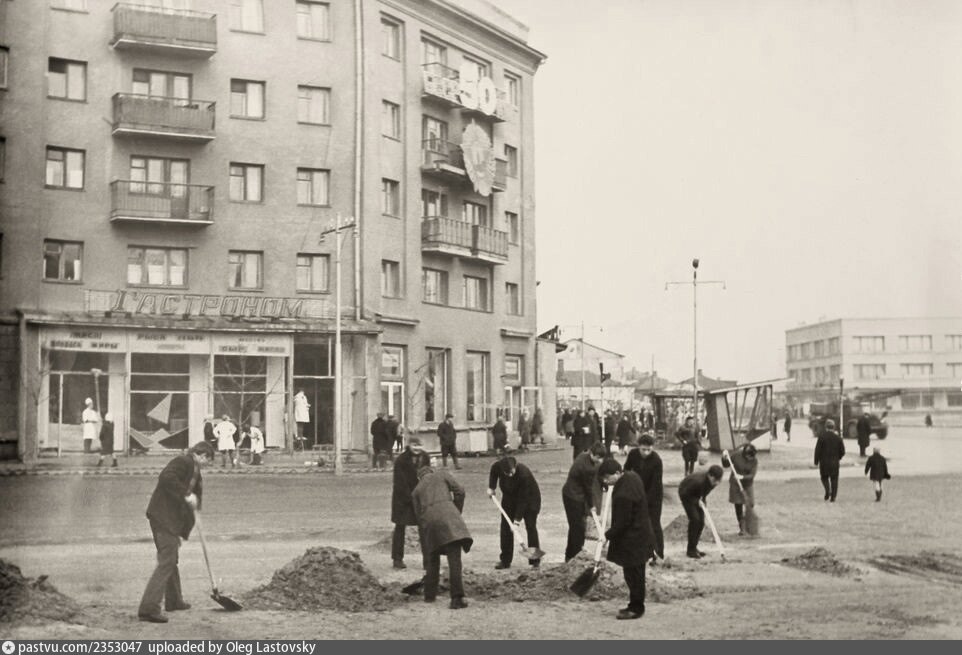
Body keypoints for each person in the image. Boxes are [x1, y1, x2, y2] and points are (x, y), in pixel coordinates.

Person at [137, 440, 215, 623]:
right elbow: (166, 478)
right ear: (202, 455)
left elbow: (194, 496)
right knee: (167, 561)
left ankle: (174, 600)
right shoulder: (183, 461)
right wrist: (186, 495)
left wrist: (195, 508)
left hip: (170, 520)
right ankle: (148, 608)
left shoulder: (195, 471)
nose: (208, 464)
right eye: (208, 460)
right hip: (162, 516)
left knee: (171, 559)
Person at [599, 458, 655, 620]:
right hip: (641, 533)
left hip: (634, 538)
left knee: (633, 575)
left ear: (617, 473)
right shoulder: (632, 476)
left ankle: (636, 608)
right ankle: (635, 605)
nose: (605, 481)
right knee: (637, 573)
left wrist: (606, 536)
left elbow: (623, 522)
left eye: (607, 477)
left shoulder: (623, 494)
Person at [411, 462, 472, 609]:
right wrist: (456, 510)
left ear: (419, 478)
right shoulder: (442, 475)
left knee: (432, 558)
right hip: (450, 519)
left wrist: (427, 528)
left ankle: (429, 595)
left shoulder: (416, 491)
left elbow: (418, 516)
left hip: (430, 524)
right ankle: (456, 598)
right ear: (431, 470)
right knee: (454, 559)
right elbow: (460, 491)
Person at [487, 456, 541, 569]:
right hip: (509, 498)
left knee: (531, 527)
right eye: (508, 473)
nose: (511, 475)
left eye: (512, 472)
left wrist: (516, 522)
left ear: (514, 466)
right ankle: (505, 560)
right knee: (505, 528)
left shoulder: (524, 474)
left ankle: (535, 560)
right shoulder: (498, 466)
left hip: (530, 500)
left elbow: (523, 500)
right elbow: (494, 471)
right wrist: (492, 487)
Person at [561, 442, 607, 561]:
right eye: (598, 457)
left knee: (575, 526)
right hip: (573, 497)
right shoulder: (587, 468)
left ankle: (570, 555)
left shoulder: (583, 455)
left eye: (602, 458)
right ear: (592, 454)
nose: (600, 461)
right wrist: (592, 506)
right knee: (578, 528)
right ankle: (575, 555)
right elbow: (588, 489)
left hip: (571, 493)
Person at [390, 437, 430, 569]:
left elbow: (427, 477)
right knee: (400, 528)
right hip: (402, 500)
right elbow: (399, 482)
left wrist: (423, 495)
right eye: (414, 445)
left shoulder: (425, 457)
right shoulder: (401, 460)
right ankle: (397, 559)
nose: (417, 448)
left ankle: (428, 561)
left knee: (424, 529)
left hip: (420, 498)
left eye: (419, 445)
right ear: (409, 445)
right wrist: (410, 497)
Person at [624, 433, 664, 561]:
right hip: (637, 493)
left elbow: (655, 484)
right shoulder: (633, 454)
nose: (646, 453)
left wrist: (645, 501)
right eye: (643, 449)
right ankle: (641, 552)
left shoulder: (657, 460)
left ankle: (659, 553)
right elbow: (626, 470)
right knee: (636, 523)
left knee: (654, 524)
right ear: (638, 447)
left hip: (653, 497)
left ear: (652, 448)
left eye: (649, 450)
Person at [678, 464, 724, 558]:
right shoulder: (698, 482)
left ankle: (694, 547)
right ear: (709, 475)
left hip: (696, 495)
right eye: (715, 480)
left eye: (718, 480)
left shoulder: (713, 481)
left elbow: (703, 492)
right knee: (695, 520)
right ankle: (690, 550)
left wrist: (703, 501)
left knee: (701, 522)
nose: (716, 483)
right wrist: (696, 501)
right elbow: (684, 493)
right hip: (686, 494)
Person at [722, 443, 758, 535]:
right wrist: (724, 457)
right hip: (735, 484)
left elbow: (752, 475)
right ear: (745, 454)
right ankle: (742, 527)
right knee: (738, 504)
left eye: (752, 457)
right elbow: (726, 464)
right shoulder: (736, 455)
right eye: (749, 457)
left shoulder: (754, 461)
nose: (750, 459)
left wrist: (742, 477)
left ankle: (749, 524)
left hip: (747, 484)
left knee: (750, 503)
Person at [814, 419, 845, 502]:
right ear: (833, 427)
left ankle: (827, 490)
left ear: (826, 427)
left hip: (824, 462)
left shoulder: (822, 437)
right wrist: (838, 457)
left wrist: (816, 461)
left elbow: (817, 450)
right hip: (834, 462)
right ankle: (833, 497)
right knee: (834, 479)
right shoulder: (838, 438)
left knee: (824, 477)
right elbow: (842, 451)